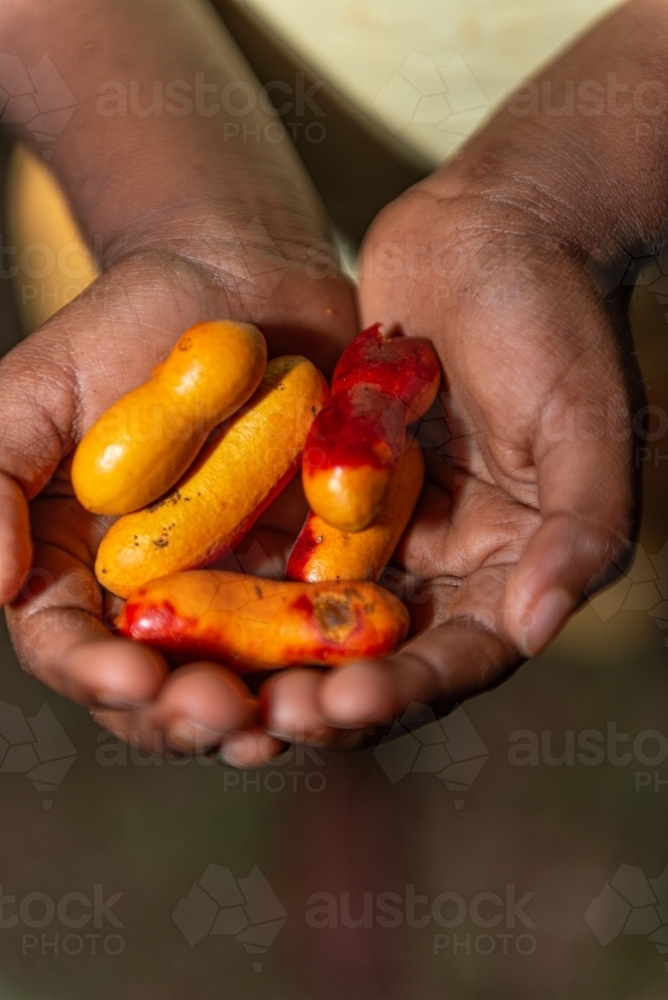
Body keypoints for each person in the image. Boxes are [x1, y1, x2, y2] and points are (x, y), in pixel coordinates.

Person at [0, 0, 658, 765]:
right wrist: (189, 227)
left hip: (603, 255)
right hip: (146, 174)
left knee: (566, 553)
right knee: (363, 641)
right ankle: (335, 738)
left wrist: (551, 210)